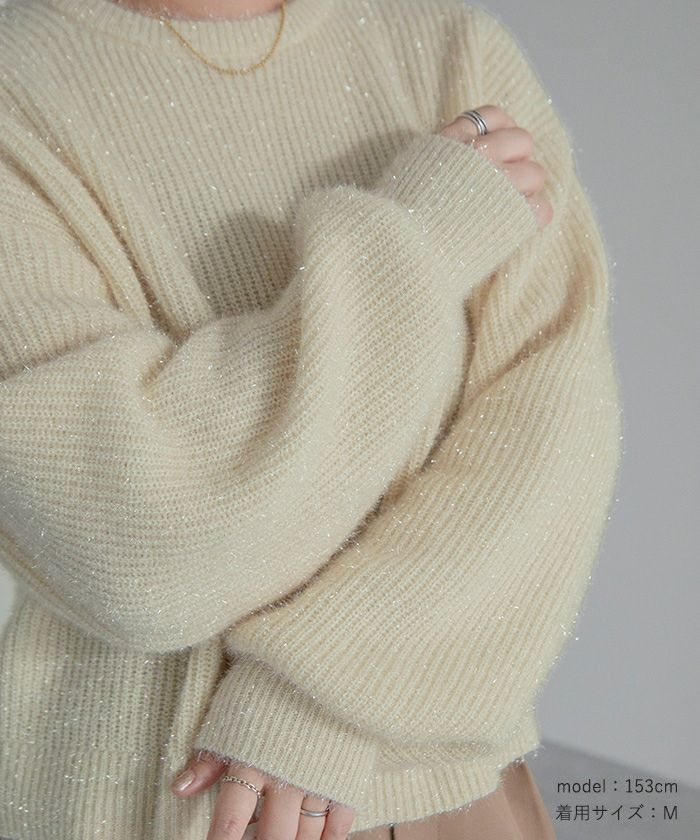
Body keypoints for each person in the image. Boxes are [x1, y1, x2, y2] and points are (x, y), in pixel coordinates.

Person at [0, 0, 622, 838]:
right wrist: (419, 239)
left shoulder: (447, 46)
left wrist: (325, 692)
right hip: (132, 797)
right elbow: (144, 548)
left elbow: (551, 434)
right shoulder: (18, 89)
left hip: (429, 791)